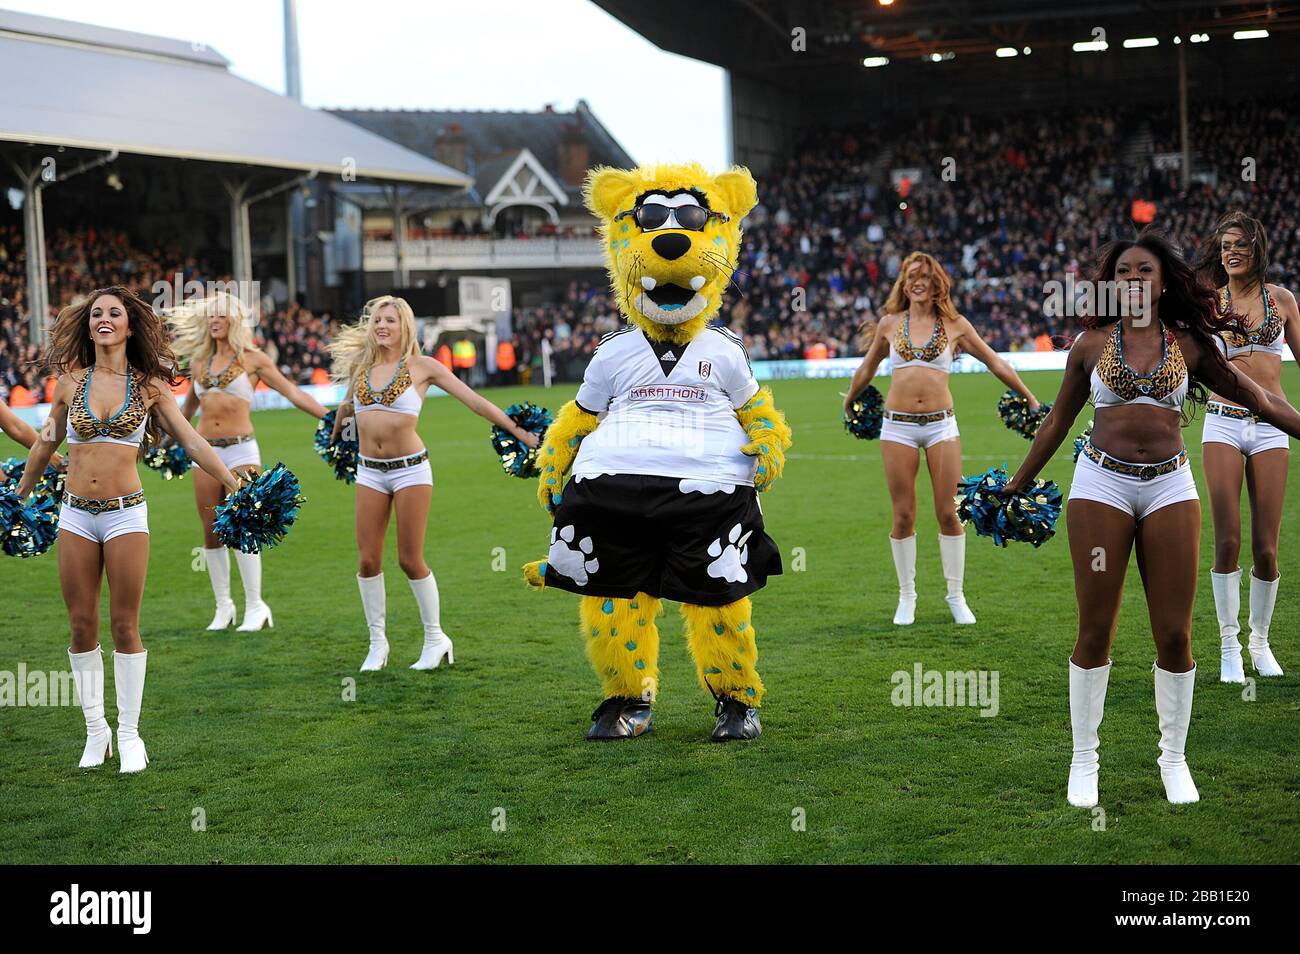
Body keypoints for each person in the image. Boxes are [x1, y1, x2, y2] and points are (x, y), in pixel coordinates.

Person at [1002, 231, 1300, 807]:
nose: (1133, 279)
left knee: (1175, 633)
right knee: (1096, 628)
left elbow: (1259, 399)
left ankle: (1174, 759)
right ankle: (1084, 759)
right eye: (1123, 272)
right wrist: (1018, 481)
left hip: (1169, 485)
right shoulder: (1090, 344)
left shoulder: (1189, 344)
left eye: (1144, 269)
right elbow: (1058, 421)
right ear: (1111, 284)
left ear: (1164, 280)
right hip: (1100, 484)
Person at [15, 287, 241, 773]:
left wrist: (232, 482)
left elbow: (193, 441)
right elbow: (44, 444)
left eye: (113, 313)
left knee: (125, 625)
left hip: (125, 514)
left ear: (129, 326)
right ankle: (96, 733)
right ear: (88, 325)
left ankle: (131, 733)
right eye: (96, 313)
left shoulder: (149, 388)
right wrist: (20, 497)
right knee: (80, 625)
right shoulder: (69, 382)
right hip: (75, 512)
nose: (104, 319)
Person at [328, 296, 538, 672]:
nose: (381, 326)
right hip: (369, 470)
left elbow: (474, 402)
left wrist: (519, 433)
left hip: (410, 470)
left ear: (403, 326)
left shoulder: (422, 367)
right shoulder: (361, 368)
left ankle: (435, 638)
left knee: (409, 559)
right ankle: (377, 643)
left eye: (389, 320)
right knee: (366, 559)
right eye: (377, 320)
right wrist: (335, 438)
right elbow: (346, 410)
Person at [843, 251, 1042, 625]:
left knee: (949, 512)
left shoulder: (955, 324)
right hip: (897, 426)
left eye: (926, 276)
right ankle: (907, 597)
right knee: (903, 515)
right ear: (904, 283)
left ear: (937, 284)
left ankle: (956, 596)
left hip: (941, 425)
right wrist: (851, 400)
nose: (918, 281)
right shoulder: (889, 323)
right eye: (911, 276)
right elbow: (867, 368)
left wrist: (1029, 397)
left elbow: (995, 361)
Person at [165, 292, 328, 632]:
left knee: (244, 525)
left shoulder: (253, 360)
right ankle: (224, 606)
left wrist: (331, 419)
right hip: (206, 451)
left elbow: (293, 392)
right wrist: (163, 441)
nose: (215, 320)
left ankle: (256, 605)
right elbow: (187, 412)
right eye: (211, 315)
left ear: (235, 320)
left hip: (242, 450)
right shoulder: (198, 361)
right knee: (211, 531)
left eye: (221, 315)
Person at [1195, 211, 1298, 681]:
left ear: (1258, 248)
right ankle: (1228, 646)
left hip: (1273, 425)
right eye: (1223, 246)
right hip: (1222, 422)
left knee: (1267, 549)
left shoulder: (1283, 301)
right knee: (1228, 540)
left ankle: (1260, 642)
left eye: (1239, 244)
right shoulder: (1207, 305)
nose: (1230, 252)